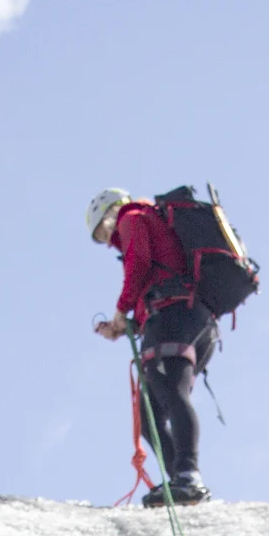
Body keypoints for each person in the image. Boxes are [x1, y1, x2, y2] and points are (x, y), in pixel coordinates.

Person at [90, 186, 217, 506]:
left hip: (173, 313)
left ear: (108, 213)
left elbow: (139, 263)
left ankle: (188, 477)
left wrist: (120, 311)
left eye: (103, 234)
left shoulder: (132, 217)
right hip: (193, 319)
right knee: (152, 413)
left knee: (170, 391)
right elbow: (155, 273)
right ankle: (180, 479)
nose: (108, 242)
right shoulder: (154, 221)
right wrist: (126, 326)